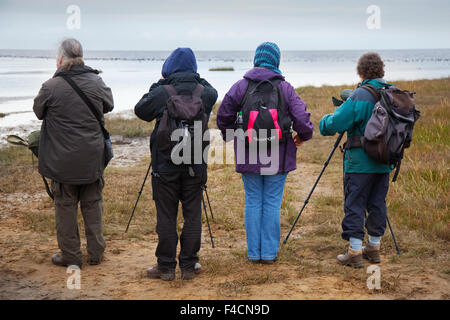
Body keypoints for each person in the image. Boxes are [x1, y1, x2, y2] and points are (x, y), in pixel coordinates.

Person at [216, 42, 313, 263]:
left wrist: (232, 135)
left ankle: (253, 253)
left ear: (257, 60)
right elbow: (303, 120)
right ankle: (268, 254)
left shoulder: (240, 86)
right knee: (271, 202)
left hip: (248, 152)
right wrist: (302, 137)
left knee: (252, 201)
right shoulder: (285, 88)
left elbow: (223, 116)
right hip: (277, 157)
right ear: (276, 61)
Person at [135, 48, 218, 281]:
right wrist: (196, 78)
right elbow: (213, 90)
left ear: (169, 68)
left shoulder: (162, 92)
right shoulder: (205, 93)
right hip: (195, 164)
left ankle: (166, 267)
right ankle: (189, 266)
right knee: (192, 214)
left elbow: (140, 110)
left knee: (166, 215)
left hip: (165, 165)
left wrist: (159, 84)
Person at [33, 38, 114, 268]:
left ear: (60, 59)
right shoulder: (97, 82)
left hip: (62, 162)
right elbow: (109, 104)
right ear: (82, 58)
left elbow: (38, 111)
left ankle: (71, 256)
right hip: (92, 158)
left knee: (65, 207)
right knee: (93, 203)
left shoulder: (50, 86)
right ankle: (96, 252)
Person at [319, 52, 393, 268]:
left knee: (355, 203)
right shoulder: (391, 92)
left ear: (361, 71)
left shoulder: (360, 95)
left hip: (360, 162)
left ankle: (354, 252)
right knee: (377, 202)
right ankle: (374, 247)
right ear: (381, 70)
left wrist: (325, 119)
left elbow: (334, 124)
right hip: (384, 161)